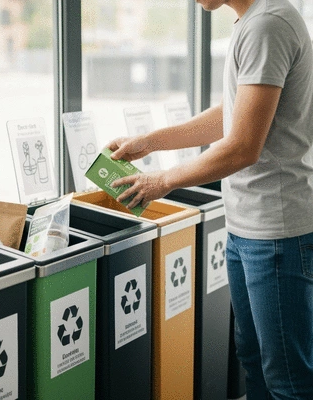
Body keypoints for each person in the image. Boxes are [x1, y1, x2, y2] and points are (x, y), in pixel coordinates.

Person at [107, 0, 313, 399]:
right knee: (254, 362)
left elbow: (241, 147)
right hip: (249, 230)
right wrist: (149, 142)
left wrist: (160, 180)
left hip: (275, 233)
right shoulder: (253, 20)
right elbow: (234, 114)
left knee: (288, 380)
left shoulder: (267, 24)